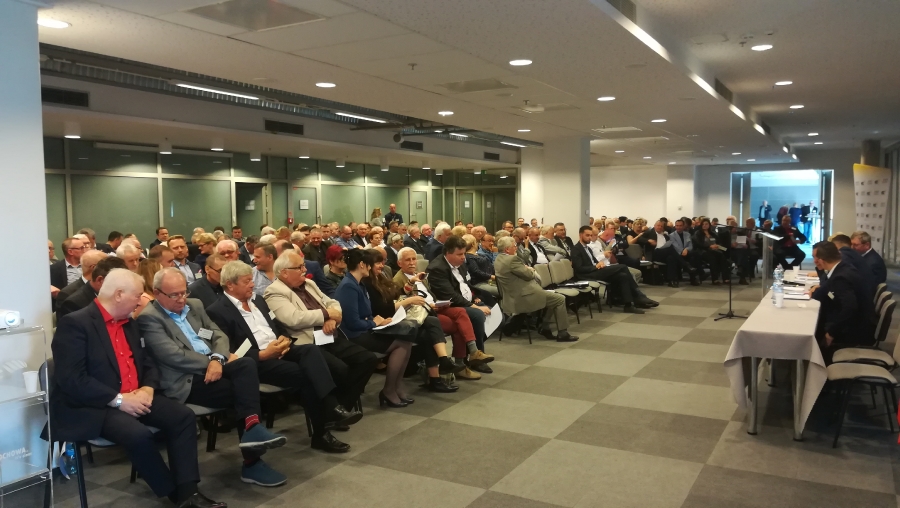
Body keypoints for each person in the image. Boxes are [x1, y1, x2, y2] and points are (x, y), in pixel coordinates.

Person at [50, 269, 225, 508]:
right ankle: (174, 493)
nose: (143, 300)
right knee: (137, 434)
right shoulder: (75, 324)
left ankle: (189, 492)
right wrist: (118, 400)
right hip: (98, 403)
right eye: (138, 295)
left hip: (137, 394)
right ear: (119, 294)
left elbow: (147, 362)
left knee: (182, 417)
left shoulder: (130, 323)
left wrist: (148, 388)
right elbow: (72, 379)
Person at [138, 268, 288, 487]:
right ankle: (252, 460)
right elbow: (174, 356)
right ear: (157, 293)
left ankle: (252, 429)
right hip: (186, 378)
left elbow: (219, 335)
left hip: (215, 365)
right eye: (174, 295)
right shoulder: (149, 318)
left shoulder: (195, 305)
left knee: (246, 364)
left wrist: (217, 359)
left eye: (184, 292)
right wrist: (213, 361)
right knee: (243, 392)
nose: (181, 299)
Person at [207, 262, 362, 453]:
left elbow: (278, 326)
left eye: (251, 280)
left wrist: (284, 338)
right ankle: (325, 426)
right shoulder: (217, 311)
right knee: (308, 375)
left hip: (281, 349)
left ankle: (330, 412)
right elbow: (227, 349)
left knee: (310, 351)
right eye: (247, 281)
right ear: (230, 285)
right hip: (257, 362)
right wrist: (262, 354)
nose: (252, 284)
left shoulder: (258, 300)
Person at [264, 251, 378, 412]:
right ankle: (334, 410)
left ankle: (340, 408)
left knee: (368, 359)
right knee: (341, 370)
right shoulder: (274, 291)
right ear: (284, 272)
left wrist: (332, 318)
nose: (305, 270)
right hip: (308, 342)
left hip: (328, 336)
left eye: (304, 265)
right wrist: (325, 314)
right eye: (299, 267)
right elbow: (293, 318)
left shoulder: (309, 284)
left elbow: (333, 303)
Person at [333, 249, 415, 407]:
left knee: (406, 340)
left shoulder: (358, 284)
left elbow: (366, 314)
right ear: (362, 265)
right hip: (354, 336)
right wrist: (374, 323)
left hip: (364, 329)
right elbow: (353, 323)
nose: (370, 268)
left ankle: (396, 386)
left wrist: (377, 321)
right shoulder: (348, 286)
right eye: (369, 265)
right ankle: (389, 390)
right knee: (401, 344)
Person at [393, 247, 485, 383]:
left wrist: (440, 303)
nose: (412, 262)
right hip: (423, 313)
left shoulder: (420, 275)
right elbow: (403, 303)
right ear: (399, 263)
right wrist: (430, 305)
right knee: (458, 326)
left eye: (414, 259)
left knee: (461, 312)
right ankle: (459, 365)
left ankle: (473, 351)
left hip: (435, 306)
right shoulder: (398, 280)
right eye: (408, 260)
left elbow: (429, 293)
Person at [425, 235, 496, 373]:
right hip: (450, 305)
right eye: (459, 254)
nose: (463, 257)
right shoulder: (437, 268)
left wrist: (475, 297)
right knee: (478, 315)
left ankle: (473, 354)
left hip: (466, 301)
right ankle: (477, 355)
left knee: (495, 314)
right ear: (448, 253)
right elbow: (450, 295)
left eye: (464, 253)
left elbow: (466, 284)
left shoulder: (460, 264)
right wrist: (473, 306)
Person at [494, 236, 578, 342]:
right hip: (525, 296)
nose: (516, 247)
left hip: (512, 296)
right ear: (507, 249)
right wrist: (530, 269)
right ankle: (561, 333)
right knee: (560, 299)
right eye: (514, 246)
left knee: (553, 298)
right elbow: (529, 275)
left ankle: (545, 327)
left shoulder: (498, 259)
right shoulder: (512, 259)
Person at [809, 241, 876, 362]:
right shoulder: (843, 268)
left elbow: (849, 308)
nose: (814, 261)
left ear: (821, 260)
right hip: (857, 322)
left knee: (814, 330)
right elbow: (825, 291)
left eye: (815, 258)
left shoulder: (841, 277)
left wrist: (831, 333)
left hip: (855, 331)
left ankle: (818, 368)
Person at [572, 226, 655, 313]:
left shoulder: (588, 248)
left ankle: (629, 305)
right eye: (587, 235)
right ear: (580, 235)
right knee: (623, 267)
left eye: (590, 235)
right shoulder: (576, 249)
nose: (589, 237)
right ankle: (638, 295)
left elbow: (594, 261)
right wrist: (595, 267)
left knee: (622, 276)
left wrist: (599, 264)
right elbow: (579, 268)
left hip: (595, 271)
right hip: (586, 274)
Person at [57, 257, 128, 319]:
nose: (121, 287)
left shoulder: (117, 297)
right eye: (118, 283)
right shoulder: (73, 304)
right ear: (100, 280)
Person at [830, 234, 875, 298]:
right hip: (864, 296)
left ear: (834, 246)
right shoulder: (853, 254)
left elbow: (836, 280)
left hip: (858, 299)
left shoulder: (844, 256)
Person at [693, 218, 729, 283]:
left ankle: (725, 278)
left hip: (715, 250)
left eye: (706, 224)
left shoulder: (713, 233)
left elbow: (719, 242)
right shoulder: (698, 233)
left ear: (709, 225)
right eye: (703, 224)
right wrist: (709, 246)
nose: (704, 225)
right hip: (704, 251)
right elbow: (698, 244)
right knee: (712, 258)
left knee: (722, 257)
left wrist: (718, 246)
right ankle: (715, 279)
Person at [667, 219, 699, 286]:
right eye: (677, 225)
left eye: (680, 225)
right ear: (675, 226)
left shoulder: (687, 234)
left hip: (686, 252)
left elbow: (690, 245)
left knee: (694, 256)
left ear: (684, 226)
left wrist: (686, 249)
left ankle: (693, 279)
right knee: (671, 258)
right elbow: (675, 246)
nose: (678, 227)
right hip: (677, 253)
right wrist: (682, 250)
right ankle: (673, 279)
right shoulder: (671, 235)